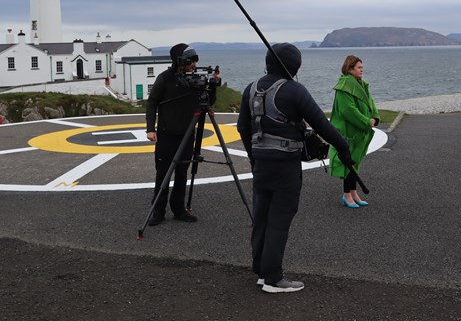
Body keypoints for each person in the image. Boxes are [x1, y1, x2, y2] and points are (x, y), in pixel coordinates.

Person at [237, 43, 352, 293]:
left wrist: (254, 157)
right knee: (280, 219)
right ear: (294, 66)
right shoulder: (294, 90)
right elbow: (322, 125)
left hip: (261, 165)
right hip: (286, 165)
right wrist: (343, 149)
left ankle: (262, 270)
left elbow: (243, 128)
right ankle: (274, 279)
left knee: (262, 217)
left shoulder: (250, 89)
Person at [146, 43, 215, 226]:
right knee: (163, 174)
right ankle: (157, 210)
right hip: (167, 134)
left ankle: (179, 209)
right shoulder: (165, 78)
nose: (193, 65)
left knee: (182, 173)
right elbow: (152, 102)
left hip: (186, 134)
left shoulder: (195, 80)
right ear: (180, 61)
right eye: (191, 61)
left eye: (194, 61)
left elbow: (208, 101)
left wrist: (213, 85)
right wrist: (150, 128)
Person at [328, 55, 379, 208]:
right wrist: (366, 121)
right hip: (349, 129)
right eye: (359, 68)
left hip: (360, 129)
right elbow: (347, 110)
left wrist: (375, 117)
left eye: (362, 67)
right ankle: (346, 195)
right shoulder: (344, 86)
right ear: (349, 69)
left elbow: (371, 101)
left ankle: (353, 192)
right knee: (348, 162)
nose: (362, 70)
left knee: (355, 161)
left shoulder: (362, 84)